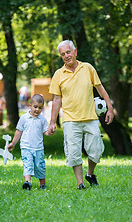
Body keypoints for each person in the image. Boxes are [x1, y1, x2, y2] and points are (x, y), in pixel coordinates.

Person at [48, 40, 114, 189]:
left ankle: (90, 174)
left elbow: (100, 88)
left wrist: (109, 108)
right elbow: (56, 99)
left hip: (90, 117)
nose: (66, 56)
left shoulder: (88, 68)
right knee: (73, 152)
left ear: (75, 52)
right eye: (63, 54)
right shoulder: (58, 74)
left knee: (96, 150)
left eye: (68, 52)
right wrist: (52, 122)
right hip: (70, 120)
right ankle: (80, 183)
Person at [7, 94, 51, 190]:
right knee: (28, 165)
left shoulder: (42, 120)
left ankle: (42, 184)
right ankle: (28, 183)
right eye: (35, 107)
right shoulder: (24, 118)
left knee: (40, 166)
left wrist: (50, 131)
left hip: (38, 148)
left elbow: (46, 132)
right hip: (26, 147)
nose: (37, 110)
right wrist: (13, 143)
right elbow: (18, 131)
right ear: (30, 105)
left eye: (40, 108)